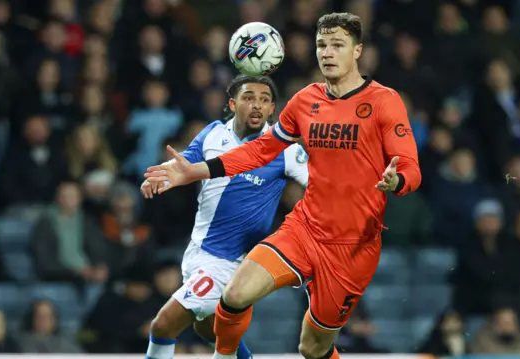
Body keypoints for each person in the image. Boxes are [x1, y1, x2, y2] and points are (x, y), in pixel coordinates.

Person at [144, 12, 421, 359]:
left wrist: (398, 181)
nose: (327, 53)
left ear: (357, 51)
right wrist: (195, 171)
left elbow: (411, 167)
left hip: (352, 248)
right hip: (304, 229)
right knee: (234, 295)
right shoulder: (305, 100)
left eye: (337, 45)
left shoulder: (384, 101)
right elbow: (260, 150)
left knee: (312, 348)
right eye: (322, 45)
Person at [141, 75, 309, 359]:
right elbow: (186, 160)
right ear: (232, 103)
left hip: (231, 263)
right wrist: (163, 172)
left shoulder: (286, 151)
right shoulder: (213, 133)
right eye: (249, 98)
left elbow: (322, 185)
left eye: (264, 100)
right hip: (197, 251)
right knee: (208, 330)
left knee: (164, 325)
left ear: (272, 110)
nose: (257, 105)